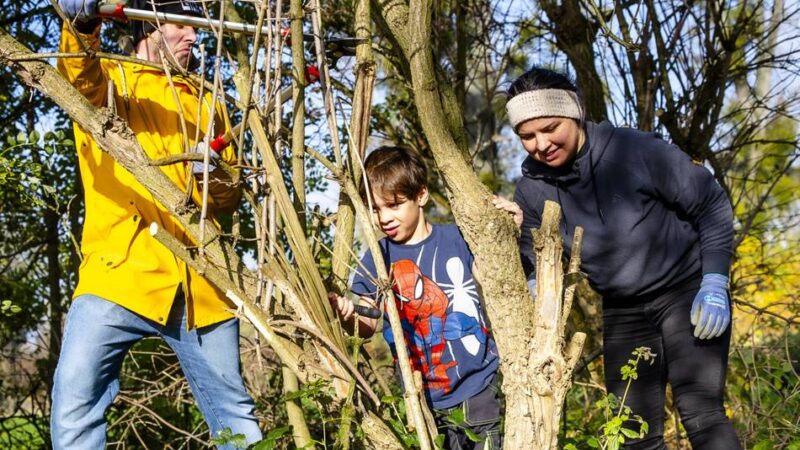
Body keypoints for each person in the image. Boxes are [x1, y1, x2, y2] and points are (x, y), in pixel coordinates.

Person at [492, 66, 741, 449]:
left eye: (550, 127)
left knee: (701, 414)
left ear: (574, 112)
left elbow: (711, 204)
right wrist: (511, 237)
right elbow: (534, 266)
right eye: (527, 135)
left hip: (686, 290)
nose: (540, 144)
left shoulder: (636, 151)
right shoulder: (530, 190)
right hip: (623, 309)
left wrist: (715, 280)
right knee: (631, 430)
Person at [51, 1, 262, 448]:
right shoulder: (110, 78)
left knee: (236, 418)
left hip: (202, 282)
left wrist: (217, 178)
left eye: (196, 28)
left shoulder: (206, 99)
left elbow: (228, 197)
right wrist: (82, 23)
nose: (194, 37)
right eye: (182, 28)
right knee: (74, 405)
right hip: (118, 271)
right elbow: (77, 75)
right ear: (150, 26)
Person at [328, 146, 502, 449]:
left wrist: (503, 227)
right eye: (375, 209)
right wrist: (347, 314)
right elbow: (367, 323)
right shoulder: (377, 257)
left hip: (480, 390)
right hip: (423, 402)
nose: (384, 218)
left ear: (420, 195)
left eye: (394, 205)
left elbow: (499, 277)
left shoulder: (458, 239)